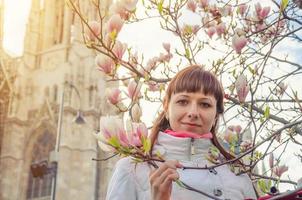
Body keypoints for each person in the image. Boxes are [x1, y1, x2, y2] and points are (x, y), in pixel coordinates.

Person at [106, 65, 257, 200]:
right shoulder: (132, 169)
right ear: (166, 107)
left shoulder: (236, 172)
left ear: (216, 114)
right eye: (183, 102)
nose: (193, 112)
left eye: (204, 104)